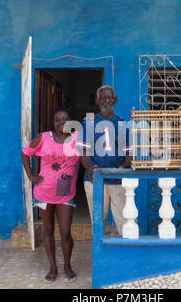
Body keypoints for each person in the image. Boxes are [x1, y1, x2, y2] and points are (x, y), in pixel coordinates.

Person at [21, 107, 80, 283]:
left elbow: (88, 157)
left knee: (66, 232)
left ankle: (67, 264)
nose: (61, 122)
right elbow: (25, 154)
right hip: (43, 192)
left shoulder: (78, 138)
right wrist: (31, 175)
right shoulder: (43, 138)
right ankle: (53, 266)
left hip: (65, 193)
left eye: (65, 119)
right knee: (48, 229)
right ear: (53, 122)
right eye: (57, 119)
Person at [76, 85, 132, 236]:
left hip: (118, 180)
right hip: (95, 181)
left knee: (124, 221)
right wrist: (89, 168)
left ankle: (124, 256)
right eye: (103, 98)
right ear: (97, 101)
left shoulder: (123, 124)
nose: (107, 101)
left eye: (109, 98)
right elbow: (83, 153)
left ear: (115, 100)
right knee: (98, 221)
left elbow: (129, 153)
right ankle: (99, 258)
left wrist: (123, 166)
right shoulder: (88, 123)